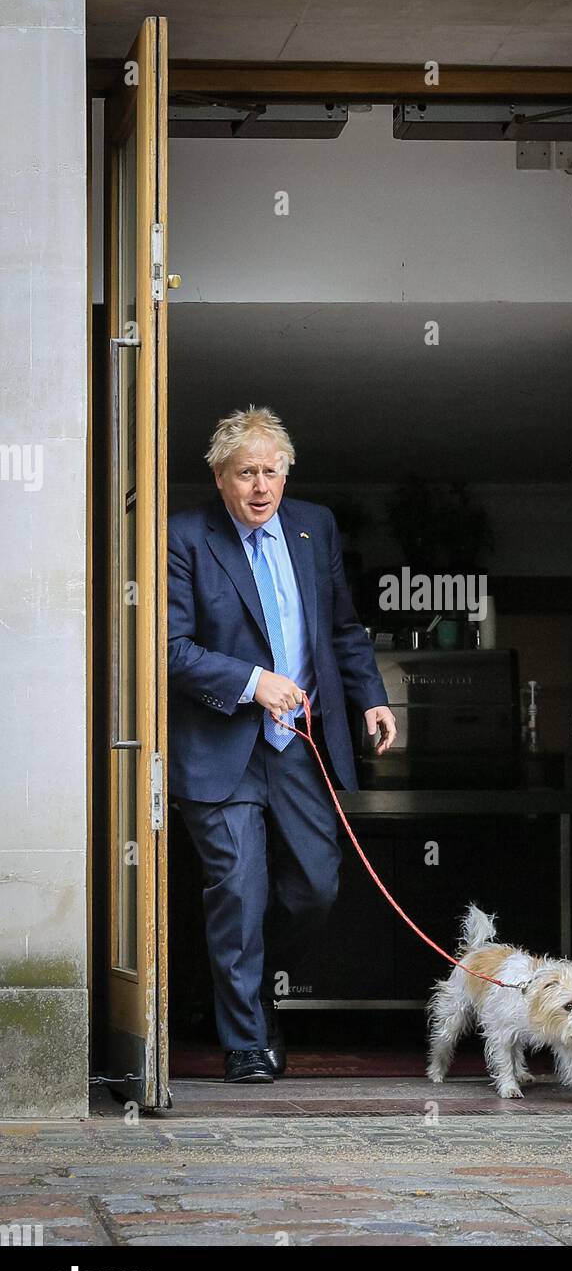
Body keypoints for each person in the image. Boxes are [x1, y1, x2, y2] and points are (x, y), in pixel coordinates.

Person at [168, 405, 397, 1083]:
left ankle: (250, 980)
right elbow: (169, 648)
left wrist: (372, 697)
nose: (261, 486)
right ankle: (244, 1041)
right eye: (246, 474)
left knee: (315, 889)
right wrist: (251, 681)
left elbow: (343, 628)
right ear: (219, 477)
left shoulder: (313, 526)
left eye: (271, 472)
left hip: (300, 746)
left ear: (286, 472)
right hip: (219, 750)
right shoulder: (184, 536)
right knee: (237, 892)